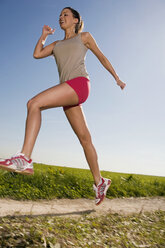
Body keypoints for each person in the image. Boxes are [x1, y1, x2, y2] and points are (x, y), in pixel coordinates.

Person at [0, 7, 126, 205]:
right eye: (59, 16)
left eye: (65, 15)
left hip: (79, 84)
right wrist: (43, 36)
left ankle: (24, 157)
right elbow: (37, 54)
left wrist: (117, 78)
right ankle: (100, 181)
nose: (61, 18)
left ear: (76, 20)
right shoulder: (57, 44)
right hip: (68, 92)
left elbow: (101, 56)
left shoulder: (84, 37)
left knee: (34, 103)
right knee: (85, 139)